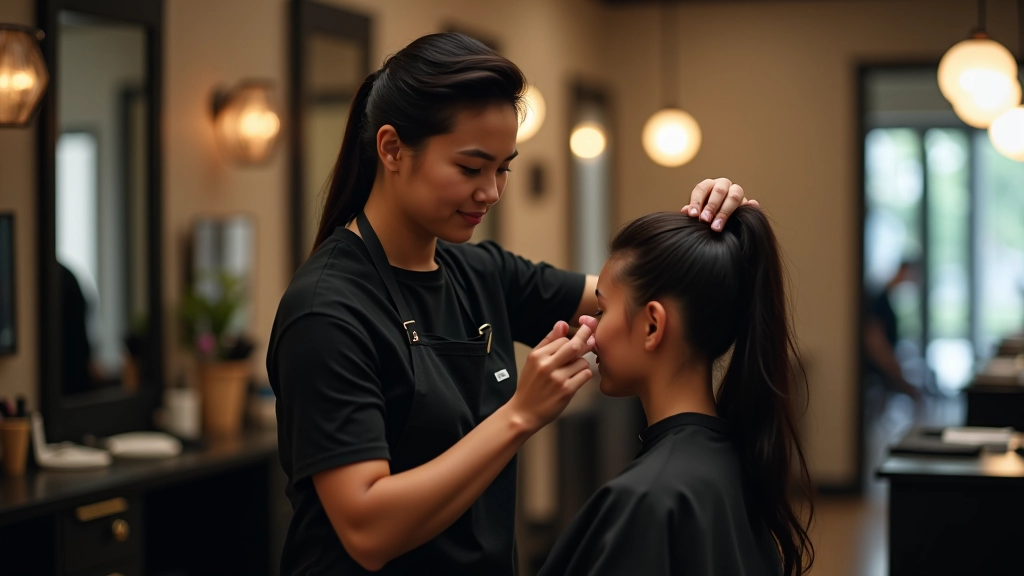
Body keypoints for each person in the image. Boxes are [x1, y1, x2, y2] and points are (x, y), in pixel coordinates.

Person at [267, 32, 753, 575]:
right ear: (391, 149)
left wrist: (721, 233)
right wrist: (520, 415)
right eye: (471, 169)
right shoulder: (328, 311)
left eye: (503, 168)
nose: (492, 192)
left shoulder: (481, 273)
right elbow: (367, 530)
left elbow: (641, 298)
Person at [539, 207, 813, 576]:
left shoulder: (647, 497)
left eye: (601, 310)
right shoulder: (735, 459)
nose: (587, 326)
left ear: (653, 325)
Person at [863, 260, 922, 401]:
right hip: (879, 369)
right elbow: (875, 342)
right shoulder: (880, 300)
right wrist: (895, 371)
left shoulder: (886, 298)